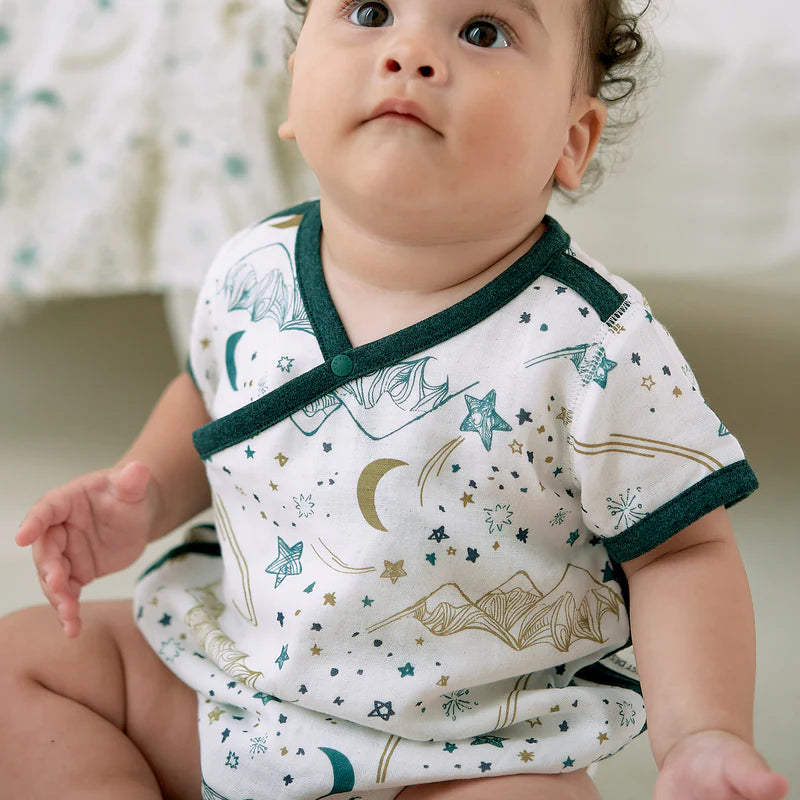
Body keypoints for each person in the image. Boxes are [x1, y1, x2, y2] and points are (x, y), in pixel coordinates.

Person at [3, 0, 791, 798]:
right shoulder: (255, 266)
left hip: (462, 753)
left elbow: (682, 551)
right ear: (293, 90)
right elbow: (209, 400)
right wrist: (137, 498)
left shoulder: (594, 348)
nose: (410, 52)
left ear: (570, 141)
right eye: (372, 11)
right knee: (21, 666)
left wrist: (701, 734)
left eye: (483, 31)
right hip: (231, 682)